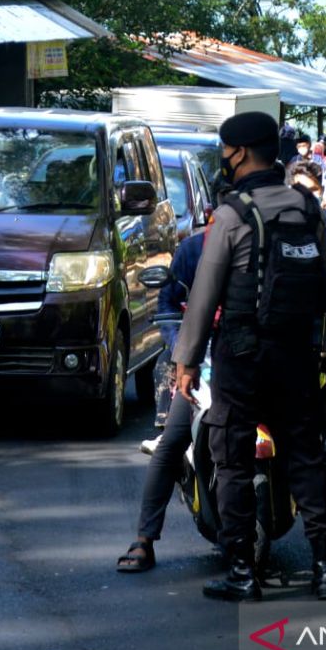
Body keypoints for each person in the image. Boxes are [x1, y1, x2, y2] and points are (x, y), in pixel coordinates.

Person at [173, 111, 326, 602]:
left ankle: (242, 573)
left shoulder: (232, 214)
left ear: (240, 153)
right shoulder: (308, 209)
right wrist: (323, 348)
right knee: (305, 456)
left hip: (242, 355)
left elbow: (204, 295)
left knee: (231, 459)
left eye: (225, 152)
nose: (223, 161)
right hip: (297, 355)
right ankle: (325, 569)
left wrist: (186, 362)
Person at [116, 229, 206, 573]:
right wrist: (182, 349)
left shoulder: (271, 243)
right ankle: (144, 539)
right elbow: (168, 305)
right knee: (171, 442)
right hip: (206, 365)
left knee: (302, 443)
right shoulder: (196, 248)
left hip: (259, 365)